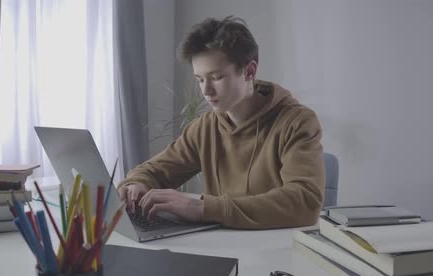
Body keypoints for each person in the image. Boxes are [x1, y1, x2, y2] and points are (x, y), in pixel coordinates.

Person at [118, 16, 324, 229]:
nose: (206, 91)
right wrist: (136, 183)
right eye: (199, 79)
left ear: (249, 71)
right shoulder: (205, 127)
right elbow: (154, 170)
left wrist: (202, 208)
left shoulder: (297, 122)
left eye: (216, 77)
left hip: (277, 251)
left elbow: (305, 202)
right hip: (221, 247)